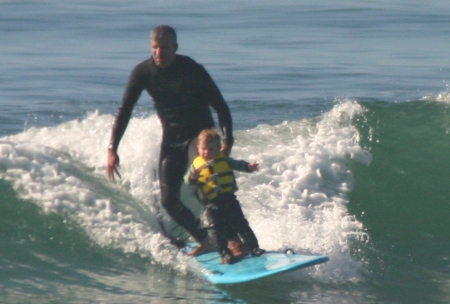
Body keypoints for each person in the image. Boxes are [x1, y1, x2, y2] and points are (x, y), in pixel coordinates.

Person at [107, 25, 239, 255]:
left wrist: (228, 140)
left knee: (206, 184)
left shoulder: (192, 69)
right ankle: (205, 239)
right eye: (155, 48)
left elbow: (220, 105)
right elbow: (124, 111)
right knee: (168, 200)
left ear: (175, 48)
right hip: (172, 139)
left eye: (164, 48)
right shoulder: (143, 73)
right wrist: (112, 149)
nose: (159, 53)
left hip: (199, 137)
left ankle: (233, 240)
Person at [184, 128, 265, 264]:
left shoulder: (224, 160)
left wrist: (248, 167)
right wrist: (193, 176)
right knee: (217, 230)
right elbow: (187, 181)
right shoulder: (196, 166)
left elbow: (238, 164)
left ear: (218, 148)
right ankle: (225, 253)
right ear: (198, 148)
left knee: (240, 224)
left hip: (229, 199)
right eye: (204, 149)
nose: (207, 152)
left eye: (211, 149)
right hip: (211, 204)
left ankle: (254, 247)